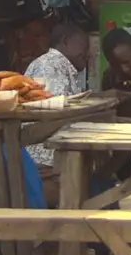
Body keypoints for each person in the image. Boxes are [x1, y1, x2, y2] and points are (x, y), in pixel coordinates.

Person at [24, 22, 91, 170]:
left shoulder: (59, 65)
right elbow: (58, 112)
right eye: (85, 47)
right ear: (65, 41)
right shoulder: (51, 64)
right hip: (46, 161)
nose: (88, 54)